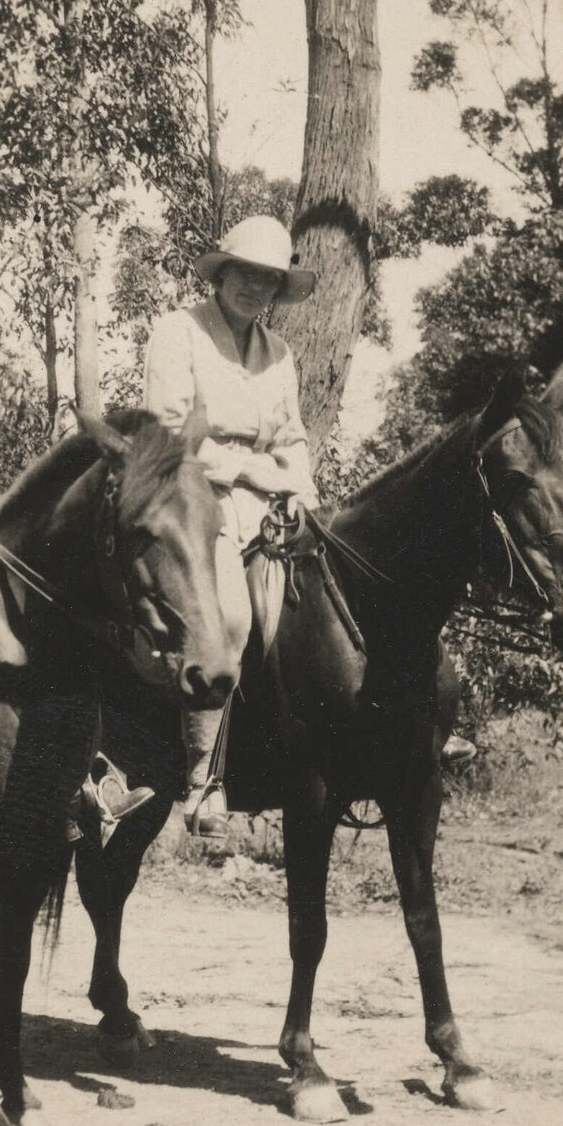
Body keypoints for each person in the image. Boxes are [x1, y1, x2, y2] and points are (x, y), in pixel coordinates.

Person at [143, 214, 318, 837]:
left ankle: (307, 753)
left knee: (322, 599)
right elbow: (167, 432)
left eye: (269, 281)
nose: (255, 289)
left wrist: (299, 491)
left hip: (267, 502)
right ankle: (200, 781)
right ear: (222, 275)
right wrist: (247, 470)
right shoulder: (178, 332)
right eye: (245, 274)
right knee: (233, 617)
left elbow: (293, 438)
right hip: (195, 495)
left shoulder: (279, 353)